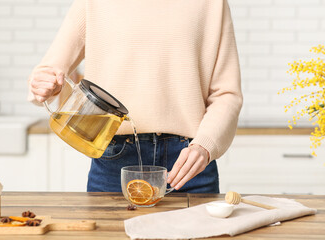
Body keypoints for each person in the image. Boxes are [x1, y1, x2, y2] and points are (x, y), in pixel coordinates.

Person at [28, 0, 243, 193]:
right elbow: (50, 70)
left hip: (189, 163)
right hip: (114, 160)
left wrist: (204, 146)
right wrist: (43, 84)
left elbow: (227, 94)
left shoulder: (212, 4)